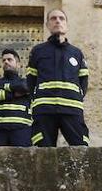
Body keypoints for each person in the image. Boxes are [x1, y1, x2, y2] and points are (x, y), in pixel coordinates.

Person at [28, 9, 89, 147]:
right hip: (44, 110)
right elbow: (31, 80)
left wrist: (76, 97)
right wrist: (38, 99)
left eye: (61, 18)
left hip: (72, 109)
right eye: (53, 18)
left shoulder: (76, 53)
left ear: (66, 25)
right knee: (43, 152)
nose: (57, 21)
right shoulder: (37, 51)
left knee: (81, 148)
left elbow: (83, 81)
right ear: (47, 25)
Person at [0, 48, 32, 147]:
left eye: (9, 60)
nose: (6, 62)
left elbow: (24, 88)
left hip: (21, 129)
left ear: (18, 64)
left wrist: (3, 89)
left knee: (23, 160)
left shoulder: (25, 81)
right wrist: (13, 93)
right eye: (4, 60)